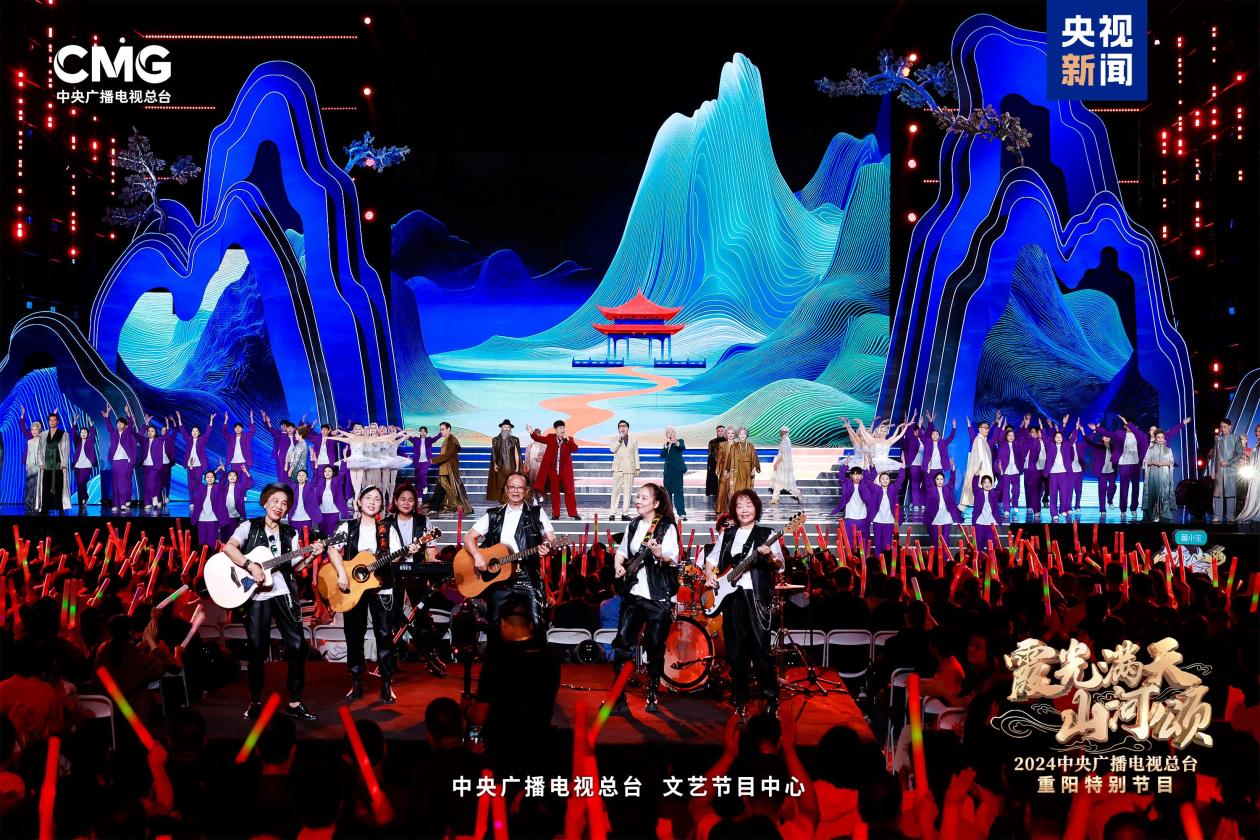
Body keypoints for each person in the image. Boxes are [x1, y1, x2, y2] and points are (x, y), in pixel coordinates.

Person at [220, 482, 324, 721]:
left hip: (284, 593)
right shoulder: (248, 526)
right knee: (257, 649)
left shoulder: (290, 533)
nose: (279, 506)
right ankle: (256, 701)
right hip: (257, 594)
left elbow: (295, 566)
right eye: (275, 501)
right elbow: (229, 548)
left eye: (285, 503)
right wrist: (251, 565)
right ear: (265, 502)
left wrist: (311, 557)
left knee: (297, 646)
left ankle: (295, 701)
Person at [326, 485, 423, 704]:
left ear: (381, 505)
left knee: (384, 635)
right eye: (368, 498)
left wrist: (407, 551)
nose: (372, 502)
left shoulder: (387, 529)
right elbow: (332, 549)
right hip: (353, 588)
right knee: (354, 634)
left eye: (377, 499)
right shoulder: (347, 527)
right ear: (359, 502)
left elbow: (395, 557)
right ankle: (356, 681)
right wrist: (342, 573)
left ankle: (387, 683)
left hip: (382, 588)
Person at [704, 490, 783, 719]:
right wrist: (709, 575)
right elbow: (711, 559)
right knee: (736, 652)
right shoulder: (728, 535)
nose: (744, 510)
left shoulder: (766, 534)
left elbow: (780, 565)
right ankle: (740, 699)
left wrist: (769, 557)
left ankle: (770, 699)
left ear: (757, 508)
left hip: (756, 598)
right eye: (739, 506)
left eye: (749, 505)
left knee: (761, 650)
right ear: (734, 511)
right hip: (732, 599)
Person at [612, 482, 680, 713]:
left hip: (657, 596)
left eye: (643, 498)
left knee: (655, 646)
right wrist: (618, 564)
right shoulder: (633, 525)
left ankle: (652, 693)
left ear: (656, 503)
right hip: (633, 594)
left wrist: (659, 554)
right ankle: (618, 698)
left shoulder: (666, 528)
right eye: (638, 497)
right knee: (622, 645)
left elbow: (672, 557)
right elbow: (622, 551)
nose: (638, 501)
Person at [463, 471, 556, 630]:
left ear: (526, 490)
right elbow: (468, 537)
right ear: (506, 489)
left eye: (520, 488)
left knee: (537, 626)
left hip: (527, 577)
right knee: (495, 627)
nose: (515, 491)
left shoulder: (537, 513)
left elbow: (551, 539)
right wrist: (477, 556)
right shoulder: (494, 515)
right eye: (512, 487)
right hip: (498, 579)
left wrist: (546, 546)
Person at [529, 420, 580, 520]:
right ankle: (556, 514)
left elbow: (575, 449)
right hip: (553, 471)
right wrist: (531, 432)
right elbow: (538, 438)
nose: (562, 430)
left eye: (563, 428)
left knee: (569, 492)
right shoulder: (550, 438)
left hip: (565, 471)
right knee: (554, 492)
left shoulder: (569, 439)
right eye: (559, 428)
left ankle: (573, 513)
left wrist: (567, 440)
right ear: (555, 430)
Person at [429, 422, 474, 515]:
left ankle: (461, 507)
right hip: (444, 469)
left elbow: (448, 455)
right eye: (440, 429)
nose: (441, 431)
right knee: (442, 490)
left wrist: (433, 460)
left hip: (449, 469)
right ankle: (434, 508)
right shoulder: (447, 439)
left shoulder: (452, 439)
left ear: (448, 429)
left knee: (454, 490)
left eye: (443, 429)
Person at [33, 413, 70, 514]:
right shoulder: (43, 434)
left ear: (58, 421)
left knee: (59, 488)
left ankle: (60, 508)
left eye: (54, 420)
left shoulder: (64, 434)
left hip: (58, 466)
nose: (52, 422)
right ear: (48, 421)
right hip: (46, 466)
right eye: (50, 420)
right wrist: (40, 463)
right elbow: (39, 450)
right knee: (45, 488)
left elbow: (67, 450)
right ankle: (44, 508)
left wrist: (64, 464)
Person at [1112, 414, 1149, 517]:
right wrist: (1097, 429)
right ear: (1124, 426)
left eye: (1131, 425)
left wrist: (1128, 423)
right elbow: (1108, 434)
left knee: (1136, 487)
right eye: (1127, 424)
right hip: (1124, 464)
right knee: (1124, 488)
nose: (1128, 426)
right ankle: (1123, 509)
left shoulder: (1140, 435)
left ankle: (1134, 508)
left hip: (1135, 464)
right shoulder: (1120, 434)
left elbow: (1141, 436)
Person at [103, 405, 138, 512]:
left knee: (122, 482)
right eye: (118, 423)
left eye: (121, 423)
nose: (119, 425)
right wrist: (107, 415)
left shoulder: (127, 432)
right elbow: (108, 426)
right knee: (115, 483)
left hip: (124, 460)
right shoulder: (113, 432)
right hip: (115, 460)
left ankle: (123, 503)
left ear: (125, 425)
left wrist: (127, 413)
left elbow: (131, 424)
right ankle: (116, 504)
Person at [960, 415, 999, 507]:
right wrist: (980, 470)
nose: (987, 430)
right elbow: (981, 458)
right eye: (985, 428)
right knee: (977, 491)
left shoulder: (983, 440)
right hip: (981, 471)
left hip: (983, 470)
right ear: (979, 429)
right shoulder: (979, 440)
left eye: (988, 428)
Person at [1211, 418, 1243, 523]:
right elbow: (1214, 455)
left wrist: (1228, 462)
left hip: (1231, 469)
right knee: (1217, 493)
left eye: (1225, 427)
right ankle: (1217, 516)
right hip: (1219, 470)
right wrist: (1212, 470)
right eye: (1221, 427)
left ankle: (1230, 516)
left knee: (1231, 493)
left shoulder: (1236, 438)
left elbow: (1239, 454)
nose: (1223, 429)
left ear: (1230, 427)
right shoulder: (1217, 438)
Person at [833, 466, 871, 551]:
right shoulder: (847, 484)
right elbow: (841, 475)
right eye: (854, 474)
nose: (857, 477)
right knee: (849, 542)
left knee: (863, 543)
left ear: (862, 476)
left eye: (859, 474)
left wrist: (868, 465)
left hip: (863, 518)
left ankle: (863, 558)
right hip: (849, 517)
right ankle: (851, 558)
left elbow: (871, 476)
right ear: (851, 476)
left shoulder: (865, 484)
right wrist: (846, 465)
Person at [1142, 430, 1177, 522]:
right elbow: (1145, 461)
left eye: (1162, 437)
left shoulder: (1168, 450)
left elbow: (1172, 462)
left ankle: (1165, 514)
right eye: (1158, 437)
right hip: (1153, 473)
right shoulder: (1150, 449)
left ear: (1164, 439)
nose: (1160, 439)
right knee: (1154, 492)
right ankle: (1154, 514)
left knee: (1164, 493)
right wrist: (1154, 462)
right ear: (1155, 438)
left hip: (1165, 473)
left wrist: (1164, 463)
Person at [867, 469, 904, 557]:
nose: (885, 480)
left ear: (889, 481)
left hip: (889, 521)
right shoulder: (875, 489)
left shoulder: (893, 489)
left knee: (887, 545)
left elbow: (900, 479)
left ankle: (886, 562)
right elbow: (868, 481)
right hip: (877, 521)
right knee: (878, 544)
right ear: (879, 480)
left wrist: (903, 466)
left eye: (887, 479)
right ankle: (878, 562)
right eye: (882, 478)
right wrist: (871, 467)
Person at [1042, 428, 1076, 521]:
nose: (1058, 438)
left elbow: (1072, 439)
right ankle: (1054, 513)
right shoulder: (1050, 445)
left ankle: (1062, 509)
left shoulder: (1066, 446)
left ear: (1062, 438)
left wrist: (1076, 429)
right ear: (1054, 438)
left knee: (1064, 493)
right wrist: (1042, 428)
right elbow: (1044, 438)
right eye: (1057, 437)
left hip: (1063, 473)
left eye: (1060, 437)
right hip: (1053, 473)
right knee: (1053, 494)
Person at [609, 419, 640, 520]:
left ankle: (625, 513)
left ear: (628, 428)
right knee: (616, 491)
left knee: (627, 491)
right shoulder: (615, 438)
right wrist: (619, 441)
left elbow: (635, 454)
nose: (622, 428)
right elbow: (612, 450)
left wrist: (637, 467)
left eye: (624, 426)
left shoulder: (634, 439)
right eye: (620, 426)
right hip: (618, 467)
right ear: (618, 429)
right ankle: (612, 513)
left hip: (629, 468)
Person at [176, 411, 215, 490]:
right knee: (190, 484)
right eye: (193, 431)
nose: (194, 432)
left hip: (198, 464)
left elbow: (207, 433)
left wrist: (211, 421)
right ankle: (192, 498)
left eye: (196, 431)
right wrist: (179, 418)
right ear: (191, 432)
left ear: (199, 433)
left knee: (198, 483)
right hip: (189, 464)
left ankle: (199, 497)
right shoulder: (188, 439)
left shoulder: (202, 439)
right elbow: (183, 431)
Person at [189, 468, 228, 548]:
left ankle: (212, 555)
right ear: (205, 478)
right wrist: (191, 469)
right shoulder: (201, 487)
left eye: (212, 477)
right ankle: (203, 555)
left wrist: (223, 471)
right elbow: (193, 481)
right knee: (202, 542)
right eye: (208, 477)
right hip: (201, 518)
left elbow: (223, 482)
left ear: (215, 478)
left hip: (213, 518)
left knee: (212, 542)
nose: (210, 479)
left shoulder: (217, 488)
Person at [1085, 424, 1119, 515]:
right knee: (1102, 490)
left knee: (1112, 487)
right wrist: (1094, 431)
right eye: (1105, 436)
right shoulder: (1098, 446)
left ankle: (1110, 500)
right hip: (1102, 472)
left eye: (1108, 436)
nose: (1107, 438)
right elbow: (1088, 442)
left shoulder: (1114, 446)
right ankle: (1102, 509)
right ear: (1102, 438)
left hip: (1112, 471)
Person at [923, 471, 962, 548]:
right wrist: (927, 473)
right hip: (935, 517)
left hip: (946, 517)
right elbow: (927, 482)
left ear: (944, 480)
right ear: (935, 480)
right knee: (935, 540)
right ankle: (936, 555)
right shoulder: (931, 489)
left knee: (945, 540)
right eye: (937, 479)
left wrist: (953, 471)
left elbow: (952, 481)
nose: (939, 481)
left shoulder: (947, 488)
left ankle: (945, 555)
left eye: (941, 479)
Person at [69, 411, 98, 508]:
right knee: (79, 484)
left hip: (87, 465)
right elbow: (73, 433)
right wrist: (75, 422)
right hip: (77, 465)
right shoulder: (77, 441)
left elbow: (93, 433)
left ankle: (85, 496)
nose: (83, 433)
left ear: (87, 433)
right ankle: (81, 503)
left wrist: (90, 424)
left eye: (85, 432)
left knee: (82, 482)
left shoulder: (90, 441)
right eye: (81, 432)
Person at [488, 419, 521, 504]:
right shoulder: (495, 440)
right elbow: (494, 452)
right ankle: (502, 503)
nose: (506, 428)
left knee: (511, 485)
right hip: (500, 466)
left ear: (510, 429)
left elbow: (517, 454)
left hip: (511, 466)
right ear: (501, 428)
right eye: (504, 427)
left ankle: (510, 502)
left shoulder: (515, 440)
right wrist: (495, 464)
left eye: (508, 427)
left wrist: (517, 467)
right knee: (500, 485)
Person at [768, 426, 803, 506]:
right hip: (783, 465)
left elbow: (784, 455)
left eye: (781, 431)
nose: (780, 433)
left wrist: (777, 463)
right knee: (778, 481)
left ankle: (797, 493)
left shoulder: (785, 441)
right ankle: (775, 498)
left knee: (787, 482)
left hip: (783, 465)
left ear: (784, 432)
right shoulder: (786, 440)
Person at [660, 426, 688, 521]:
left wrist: (675, 442)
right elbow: (662, 455)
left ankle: (682, 513)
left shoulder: (680, 441)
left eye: (672, 432)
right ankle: (668, 514)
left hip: (677, 471)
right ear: (666, 435)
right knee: (667, 493)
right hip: (668, 472)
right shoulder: (666, 444)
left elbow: (682, 447)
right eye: (668, 433)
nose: (670, 434)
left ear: (675, 433)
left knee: (678, 492)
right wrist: (665, 446)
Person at [313, 464, 349, 536]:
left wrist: (344, 463)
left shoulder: (336, 481)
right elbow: (314, 477)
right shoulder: (320, 481)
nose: (327, 473)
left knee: (330, 533)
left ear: (333, 473)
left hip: (333, 512)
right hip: (322, 511)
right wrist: (315, 467)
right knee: (321, 533)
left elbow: (342, 473)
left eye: (329, 471)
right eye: (325, 471)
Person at [17, 409, 42, 512]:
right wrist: (22, 415)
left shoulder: (43, 439)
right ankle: (29, 504)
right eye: (32, 429)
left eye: (36, 429)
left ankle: (37, 504)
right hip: (30, 464)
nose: (34, 431)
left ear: (40, 430)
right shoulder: (29, 438)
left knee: (38, 485)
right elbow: (22, 426)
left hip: (40, 465)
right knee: (30, 484)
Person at [138, 421, 166, 511]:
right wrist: (145, 424)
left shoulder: (159, 440)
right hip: (145, 465)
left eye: (152, 431)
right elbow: (138, 435)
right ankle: (148, 502)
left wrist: (167, 426)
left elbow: (165, 435)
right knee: (147, 484)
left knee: (152, 483)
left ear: (155, 433)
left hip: (155, 466)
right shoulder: (144, 440)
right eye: (149, 431)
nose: (150, 432)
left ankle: (154, 497)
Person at [994, 426, 1021, 517]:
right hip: (1005, 471)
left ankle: (1015, 503)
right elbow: (999, 436)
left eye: (1012, 435)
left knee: (1016, 490)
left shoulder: (1016, 444)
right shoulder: (1002, 444)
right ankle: (1006, 509)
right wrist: (1001, 427)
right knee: (1005, 491)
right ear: (1006, 436)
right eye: (1009, 435)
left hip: (1015, 471)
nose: (1011, 437)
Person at [971, 475, 1003, 553]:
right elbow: (974, 485)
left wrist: (1001, 476)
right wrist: (976, 476)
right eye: (985, 483)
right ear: (981, 484)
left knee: (991, 545)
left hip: (991, 523)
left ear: (991, 484)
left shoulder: (994, 493)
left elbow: (1000, 486)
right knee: (978, 545)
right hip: (979, 522)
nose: (987, 484)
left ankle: (991, 560)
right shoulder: (978, 492)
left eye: (989, 483)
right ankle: (978, 560)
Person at [407, 426, 440, 495]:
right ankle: (417, 491)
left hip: (426, 461)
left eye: (424, 431)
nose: (423, 433)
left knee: (422, 473)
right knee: (417, 476)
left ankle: (424, 486)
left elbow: (436, 438)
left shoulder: (429, 440)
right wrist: (401, 431)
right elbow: (407, 437)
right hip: (417, 461)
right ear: (419, 432)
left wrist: (442, 433)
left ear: (426, 432)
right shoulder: (415, 439)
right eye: (421, 431)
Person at [728, 427, 761, 495]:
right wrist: (730, 471)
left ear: (746, 435)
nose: (742, 436)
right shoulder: (734, 446)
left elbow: (754, 458)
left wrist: (754, 468)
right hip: (738, 469)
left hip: (748, 469)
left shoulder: (750, 446)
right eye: (740, 434)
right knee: (738, 489)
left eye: (744, 434)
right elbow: (731, 459)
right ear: (738, 435)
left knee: (747, 490)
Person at [287, 469, 317, 535]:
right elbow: (287, 481)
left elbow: (315, 478)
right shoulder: (293, 487)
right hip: (294, 518)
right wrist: (289, 476)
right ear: (297, 477)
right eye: (299, 475)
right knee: (295, 538)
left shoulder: (310, 487)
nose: (301, 477)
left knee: (306, 538)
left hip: (306, 518)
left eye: (303, 475)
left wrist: (315, 468)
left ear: (306, 478)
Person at [714, 426, 736, 516]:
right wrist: (717, 468)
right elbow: (719, 457)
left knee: (732, 490)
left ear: (734, 435)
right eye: (729, 433)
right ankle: (719, 509)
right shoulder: (722, 444)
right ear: (726, 434)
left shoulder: (737, 445)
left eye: (732, 433)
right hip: (723, 468)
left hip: (734, 469)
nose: (730, 435)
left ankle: (731, 509)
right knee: (722, 489)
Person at [705, 425, 726, 501]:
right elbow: (710, 455)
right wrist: (709, 466)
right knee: (714, 484)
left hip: (724, 464)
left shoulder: (727, 442)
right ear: (716, 432)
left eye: (722, 431)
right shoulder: (712, 442)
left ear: (724, 432)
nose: (720, 432)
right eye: (719, 431)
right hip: (714, 464)